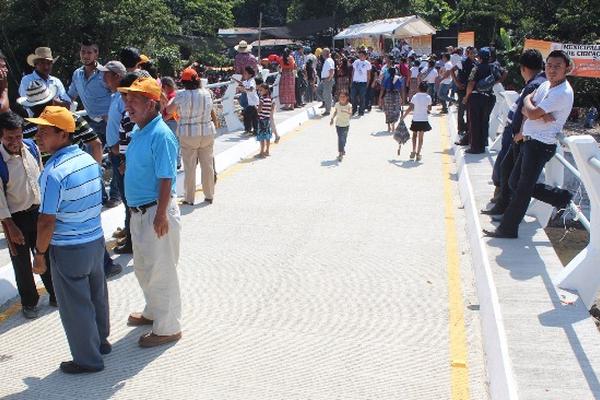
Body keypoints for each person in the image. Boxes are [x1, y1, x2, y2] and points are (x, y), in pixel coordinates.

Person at [30, 106, 109, 374]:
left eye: (43, 130)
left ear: (63, 134)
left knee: (75, 305)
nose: (37, 136)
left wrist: (40, 255)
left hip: (68, 248)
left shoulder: (53, 173)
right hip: (95, 240)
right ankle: (101, 342)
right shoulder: (89, 160)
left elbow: (46, 221)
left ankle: (88, 359)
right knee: (97, 295)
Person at [17, 80, 122, 277]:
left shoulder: (28, 129)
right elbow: (96, 144)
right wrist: (94, 173)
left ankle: (55, 271)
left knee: (58, 228)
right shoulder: (71, 119)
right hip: (80, 179)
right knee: (90, 222)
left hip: (48, 184)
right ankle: (103, 266)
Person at [118, 77, 182, 347]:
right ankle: (153, 311)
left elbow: (166, 177)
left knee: (162, 269)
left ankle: (168, 327)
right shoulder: (140, 130)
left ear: (151, 103)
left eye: (134, 99)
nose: (127, 104)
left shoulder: (161, 134)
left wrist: (161, 215)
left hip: (156, 211)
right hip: (139, 212)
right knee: (144, 268)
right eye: (126, 98)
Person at [484, 50, 574, 238]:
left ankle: (508, 228)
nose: (552, 70)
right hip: (529, 140)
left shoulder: (562, 92)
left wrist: (532, 109)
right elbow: (528, 107)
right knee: (515, 182)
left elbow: (531, 112)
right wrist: (532, 108)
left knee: (522, 188)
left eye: (557, 66)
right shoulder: (547, 86)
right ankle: (560, 197)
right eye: (549, 65)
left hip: (541, 145)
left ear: (567, 68)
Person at [0, 111, 56, 319]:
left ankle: (54, 293)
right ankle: (30, 302)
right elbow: (0, 200)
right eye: (9, 138)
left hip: (38, 213)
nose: (15, 142)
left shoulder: (32, 148)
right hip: (15, 219)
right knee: (22, 262)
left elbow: (41, 177)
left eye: (18, 136)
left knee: (46, 254)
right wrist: (10, 226)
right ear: (1, 136)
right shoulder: (0, 161)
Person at [484, 49, 546, 213]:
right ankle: (501, 204)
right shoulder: (539, 83)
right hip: (519, 134)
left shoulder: (534, 85)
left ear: (523, 68)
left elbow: (528, 112)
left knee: (509, 173)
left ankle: (503, 205)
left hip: (519, 135)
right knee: (507, 170)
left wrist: (519, 133)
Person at [68, 39, 120, 207]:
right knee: (92, 160)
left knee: (115, 157)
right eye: (83, 52)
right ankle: (100, 196)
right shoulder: (77, 74)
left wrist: (112, 114)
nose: (86, 55)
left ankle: (115, 195)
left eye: (89, 52)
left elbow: (116, 92)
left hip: (109, 121)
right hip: (91, 122)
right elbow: (70, 96)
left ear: (96, 54)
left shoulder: (104, 73)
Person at [165, 68, 216, 206]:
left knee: (190, 167)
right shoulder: (207, 93)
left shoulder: (181, 95)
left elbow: (169, 110)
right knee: (207, 165)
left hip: (188, 134)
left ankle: (189, 198)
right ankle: (209, 195)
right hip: (207, 132)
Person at [101, 61, 133, 255]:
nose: (104, 78)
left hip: (120, 153)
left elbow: (127, 128)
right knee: (125, 196)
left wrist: (120, 155)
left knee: (128, 197)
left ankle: (132, 239)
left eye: (107, 75)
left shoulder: (124, 99)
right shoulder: (116, 97)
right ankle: (129, 231)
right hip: (116, 152)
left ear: (116, 76)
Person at [463, 47, 499, 154]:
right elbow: (502, 75)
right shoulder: (493, 68)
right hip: (488, 97)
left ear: (479, 57)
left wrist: (466, 97)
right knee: (484, 121)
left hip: (476, 98)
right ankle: (483, 144)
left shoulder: (476, 68)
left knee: (474, 123)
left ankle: (475, 147)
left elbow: (471, 84)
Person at [400, 81, 432, 162]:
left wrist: (403, 117)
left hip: (416, 119)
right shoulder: (428, 97)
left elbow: (410, 108)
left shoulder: (415, 97)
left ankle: (413, 151)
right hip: (424, 120)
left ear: (419, 88)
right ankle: (418, 153)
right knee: (421, 138)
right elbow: (429, 109)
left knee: (414, 136)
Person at [453, 47, 477, 145]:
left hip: (471, 90)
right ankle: (461, 128)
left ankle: (467, 128)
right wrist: (457, 82)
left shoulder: (476, 63)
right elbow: (452, 71)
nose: (472, 55)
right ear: (467, 53)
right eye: (470, 53)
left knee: (469, 110)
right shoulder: (462, 62)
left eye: (474, 53)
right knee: (461, 109)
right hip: (462, 89)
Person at [379, 57, 403, 132]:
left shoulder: (386, 78)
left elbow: (383, 89)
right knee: (396, 110)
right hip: (396, 95)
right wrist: (401, 97)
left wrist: (380, 98)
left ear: (388, 72)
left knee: (388, 110)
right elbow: (400, 89)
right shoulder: (398, 78)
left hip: (388, 95)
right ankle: (393, 125)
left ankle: (389, 127)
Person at [330, 92, 352, 162]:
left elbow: (351, 113)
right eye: (340, 97)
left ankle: (342, 148)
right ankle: (340, 153)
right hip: (338, 125)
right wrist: (332, 118)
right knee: (340, 138)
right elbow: (336, 112)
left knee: (344, 139)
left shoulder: (349, 105)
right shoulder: (337, 104)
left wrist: (347, 111)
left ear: (347, 98)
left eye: (344, 97)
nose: (342, 98)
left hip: (346, 125)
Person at [238, 66, 259, 135]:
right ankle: (255, 130)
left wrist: (244, 90)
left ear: (250, 74)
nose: (244, 75)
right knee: (254, 117)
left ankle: (248, 130)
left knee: (246, 115)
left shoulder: (251, 81)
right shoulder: (247, 81)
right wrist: (234, 79)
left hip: (253, 103)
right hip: (252, 102)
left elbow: (252, 89)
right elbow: (241, 83)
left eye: (246, 73)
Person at [350, 50, 372, 117]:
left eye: (362, 55)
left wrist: (367, 84)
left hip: (363, 83)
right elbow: (353, 72)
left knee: (362, 97)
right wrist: (351, 81)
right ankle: (354, 109)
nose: (360, 56)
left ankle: (361, 111)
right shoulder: (356, 62)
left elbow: (368, 75)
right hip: (355, 82)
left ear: (365, 56)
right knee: (353, 96)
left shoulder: (367, 63)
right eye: (359, 55)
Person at [256, 83, 274, 158]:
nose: (259, 92)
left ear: (266, 90)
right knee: (267, 136)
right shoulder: (270, 98)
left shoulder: (262, 99)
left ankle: (261, 152)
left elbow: (259, 109)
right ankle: (267, 151)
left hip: (261, 119)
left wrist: (256, 110)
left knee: (261, 137)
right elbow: (271, 109)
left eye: (261, 90)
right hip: (267, 119)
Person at [316, 48, 335, 116]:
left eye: (323, 53)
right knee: (318, 91)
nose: (322, 54)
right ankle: (327, 102)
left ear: (325, 53)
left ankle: (327, 110)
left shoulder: (329, 60)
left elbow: (331, 70)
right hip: (324, 79)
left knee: (327, 95)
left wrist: (329, 78)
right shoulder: (327, 60)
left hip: (327, 79)